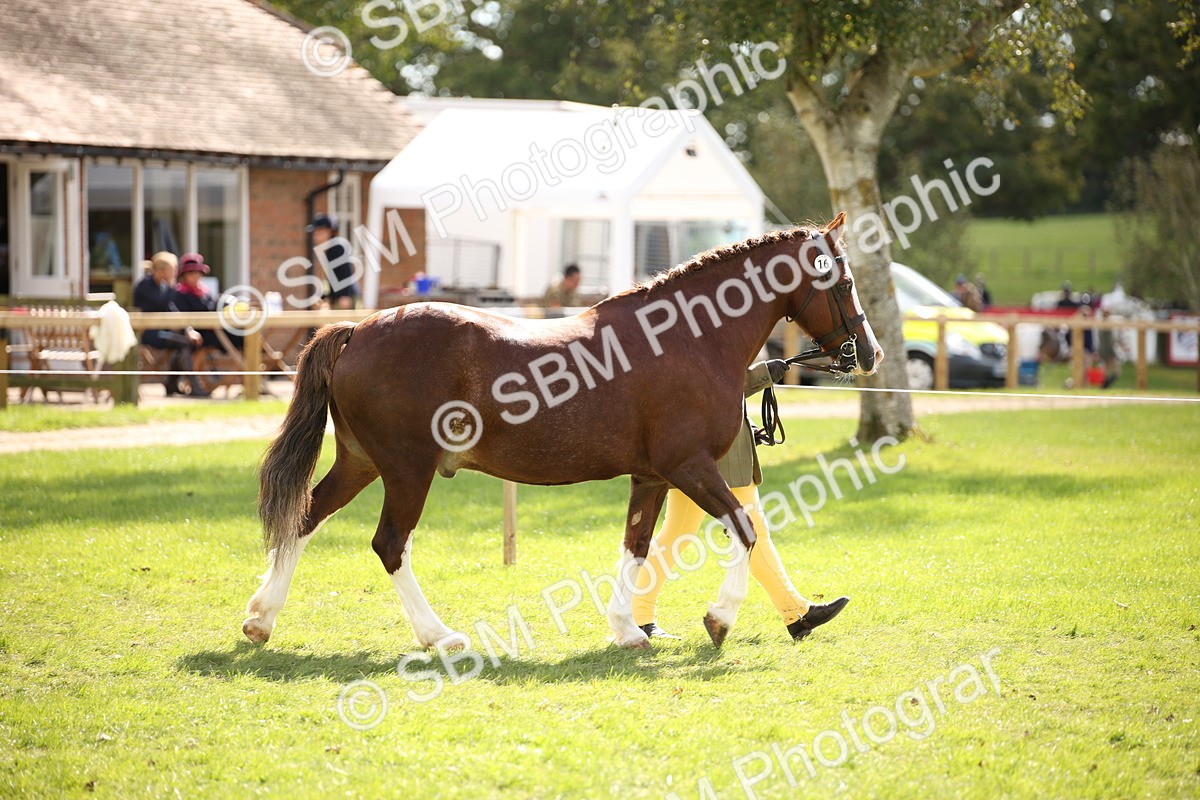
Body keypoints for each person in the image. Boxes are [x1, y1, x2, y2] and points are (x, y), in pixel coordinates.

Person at [632, 359, 850, 643]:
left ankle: (639, 617)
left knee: (678, 533)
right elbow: (715, 379)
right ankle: (796, 613)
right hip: (718, 455)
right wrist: (761, 374)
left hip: (705, 446)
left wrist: (746, 425)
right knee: (752, 530)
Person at [132, 252, 209, 397]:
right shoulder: (145, 286)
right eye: (172, 270)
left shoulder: (165, 288)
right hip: (146, 333)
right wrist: (172, 287)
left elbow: (173, 311)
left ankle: (172, 383)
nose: (175, 273)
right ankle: (193, 385)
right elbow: (163, 305)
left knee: (187, 342)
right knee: (183, 344)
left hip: (161, 331)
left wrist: (189, 330)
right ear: (161, 270)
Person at [308, 213, 359, 309]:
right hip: (339, 298)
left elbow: (345, 272)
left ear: (329, 231)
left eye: (319, 232)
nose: (315, 236)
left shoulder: (336, 248)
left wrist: (345, 295)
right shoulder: (328, 249)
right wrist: (324, 297)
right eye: (315, 233)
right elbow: (333, 279)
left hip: (345, 299)